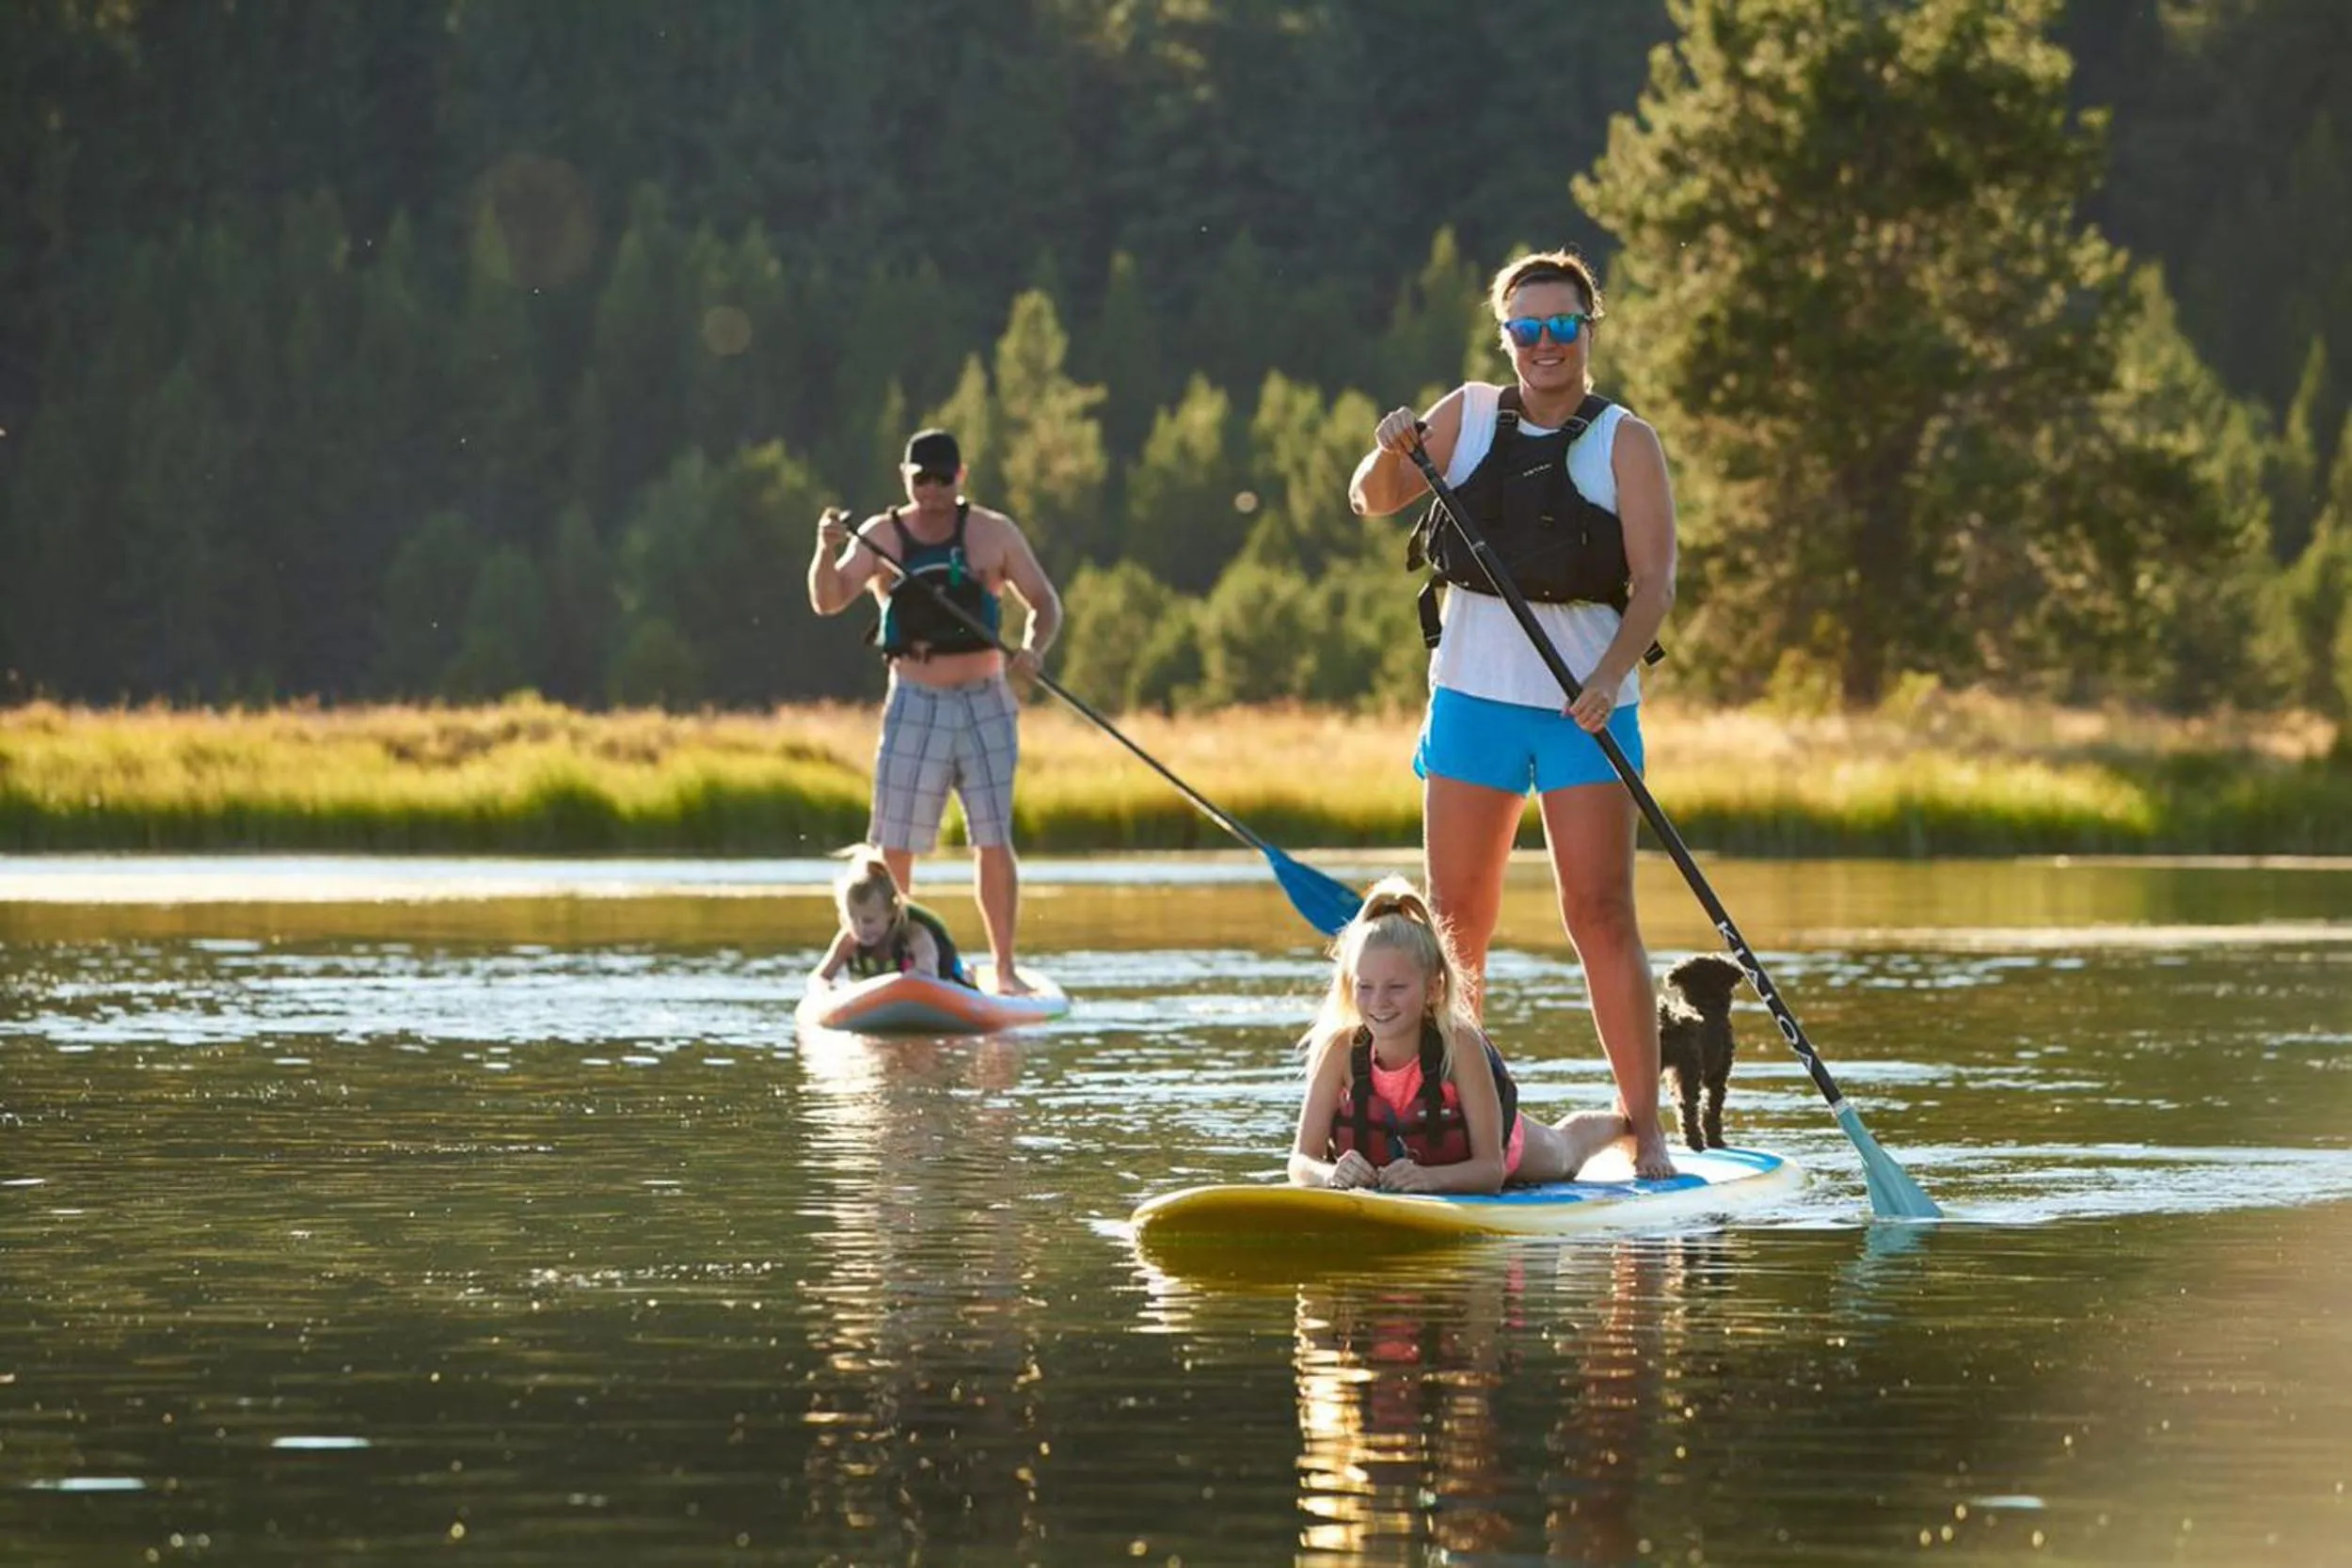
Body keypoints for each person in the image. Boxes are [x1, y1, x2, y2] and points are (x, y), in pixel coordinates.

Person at [1346, 247, 1680, 1179]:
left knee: (1599, 911)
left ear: (1587, 330)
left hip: (1584, 713)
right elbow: (1369, 498)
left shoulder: (1625, 440)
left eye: (1561, 326)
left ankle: (1643, 1129)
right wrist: (1392, 445)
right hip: (1472, 701)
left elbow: (1654, 586)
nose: (1544, 344)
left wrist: (1610, 677)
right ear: (1505, 336)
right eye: (1526, 328)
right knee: (1454, 922)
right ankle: (1464, 1125)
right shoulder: (1463, 417)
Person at [807, 428, 1062, 995]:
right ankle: (886, 962)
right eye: (921, 478)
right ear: (906, 476)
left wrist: (1034, 648)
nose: (932, 490)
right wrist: (825, 548)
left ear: (960, 477)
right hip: (914, 699)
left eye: (943, 478)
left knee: (992, 837)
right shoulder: (879, 536)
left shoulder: (992, 534)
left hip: (984, 699)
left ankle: (1003, 970)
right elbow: (828, 600)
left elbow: (1045, 603)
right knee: (893, 843)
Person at [1287, 877, 1628, 1195]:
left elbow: (1491, 1171)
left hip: (1500, 1149)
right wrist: (1329, 1174)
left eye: (1397, 987)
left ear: (1433, 988)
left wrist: (1428, 1179)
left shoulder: (1459, 1043)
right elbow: (1300, 1162)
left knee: (1566, 1152)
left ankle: (1623, 1124)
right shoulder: (1339, 1049)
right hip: (1415, 1173)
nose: (1379, 1002)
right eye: (1365, 987)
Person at [810, 847, 973, 989]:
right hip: (887, 989)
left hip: (943, 973)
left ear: (891, 913)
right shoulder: (849, 939)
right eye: (853, 919)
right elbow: (820, 977)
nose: (861, 928)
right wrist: (826, 990)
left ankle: (967, 971)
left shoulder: (914, 932)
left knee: (960, 975)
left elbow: (927, 972)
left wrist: (900, 985)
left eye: (869, 921)